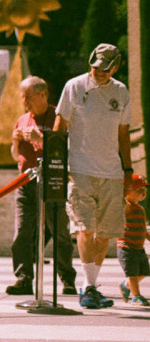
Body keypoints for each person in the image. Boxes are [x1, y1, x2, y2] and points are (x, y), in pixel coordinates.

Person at [53, 43, 134, 310]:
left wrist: (128, 169)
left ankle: (92, 286)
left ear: (116, 67)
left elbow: (123, 133)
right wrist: (57, 164)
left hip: (111, 172)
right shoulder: (74, 86)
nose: (98, 72)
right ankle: (87, 288)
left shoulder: (121, 92)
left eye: (104, 68)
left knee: (105, 234)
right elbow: (59, 126)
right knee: (84, 229)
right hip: (80, 170)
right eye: (95, 67)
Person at [6, 76, 76, 296]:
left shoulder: (58, 116)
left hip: (52, 182)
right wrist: (15, 140)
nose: (24, 102)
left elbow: (64, 148)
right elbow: (16, 156)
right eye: (22, 98)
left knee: (60, 233)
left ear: (43, 95)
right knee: (21, 233)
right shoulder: (22, 119)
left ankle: (67, 279)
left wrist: (41, 136)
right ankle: (23, 278)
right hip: (25, 183)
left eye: (27, 97)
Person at [119, 173, 149, 306]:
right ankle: (136, 295)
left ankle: (126, 285)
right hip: (127, 247)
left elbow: (143, 228)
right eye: (139, 190)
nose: (143, 193)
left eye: (144, 190)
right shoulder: (125, 207)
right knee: (132, 272)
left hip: (139, 247)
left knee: (144, 272)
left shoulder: (141, 209)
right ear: (128, 192)